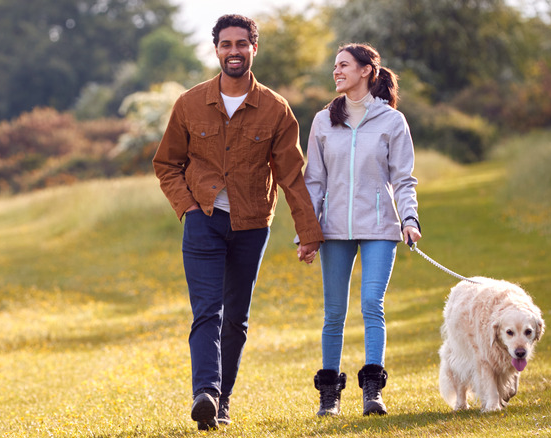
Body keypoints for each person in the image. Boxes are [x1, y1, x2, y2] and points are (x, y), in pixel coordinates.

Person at [152, 14, 323, 431]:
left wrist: (308, 232)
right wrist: (189, 208)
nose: (234, 51)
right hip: (203, 220)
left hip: (252, 225)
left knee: (236, 318)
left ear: (253, 49)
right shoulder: (190, 103)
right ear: (216, 50)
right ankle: (206, 393)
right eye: (226, 44)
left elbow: (291, 176)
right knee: (206, 310)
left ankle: (223, 399)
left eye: (241, 44)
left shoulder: (276, 109)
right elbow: (166, 163)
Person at [297, 43, 422, 417]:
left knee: (371, 304)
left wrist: (410, 219)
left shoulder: (392, 122)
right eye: (335, 66)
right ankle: (329, 396)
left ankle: (372, 393)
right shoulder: (323, 121)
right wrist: (307, 232)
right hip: (334, 229)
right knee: (334, 312)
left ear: (367, 70)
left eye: (344, 65)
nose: (336, 71)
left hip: (380, 227)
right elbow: (314, 181)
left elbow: (403, 179)